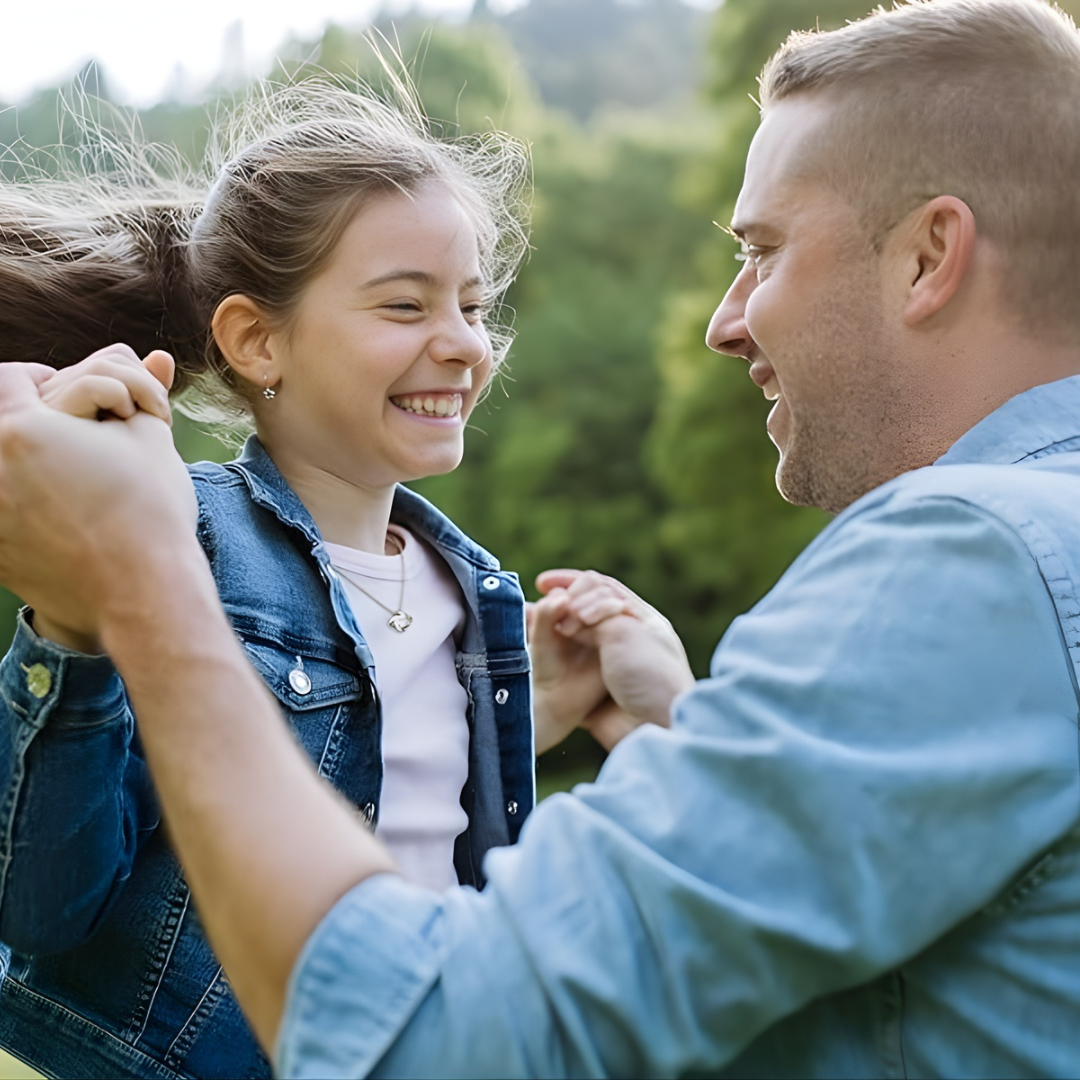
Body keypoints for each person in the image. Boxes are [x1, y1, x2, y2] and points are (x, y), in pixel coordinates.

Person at [1, 0, 1080, 1075]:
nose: (723, 320)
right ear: (257, 340)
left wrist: (138, 584)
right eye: (403, 306)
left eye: (763, 249)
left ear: (930, 255)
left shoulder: (979, 557)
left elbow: (446, 1025)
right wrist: (688, 728)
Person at [0, 81, 607, 1079]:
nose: (460, 341)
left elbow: (379, 795)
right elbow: (44, 907)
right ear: (257, 341)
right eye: (406, 305)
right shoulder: (171, 539)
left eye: (472, 305)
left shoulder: (480, 600)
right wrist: (67, 628)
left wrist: (535, 708)